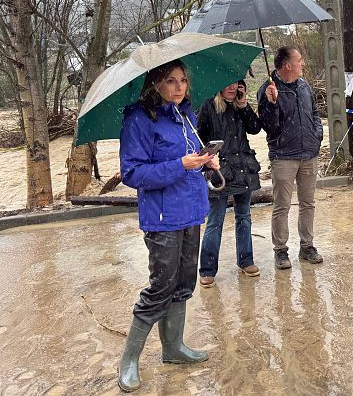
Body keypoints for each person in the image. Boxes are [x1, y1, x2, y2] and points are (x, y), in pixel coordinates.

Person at [117, 59, 219, 392]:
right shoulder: (138, 119)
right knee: (161, 286)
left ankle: (173, 348)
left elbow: (191, 157)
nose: (178, 87)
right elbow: (132, 174)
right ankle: (129, 360)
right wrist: (180, 164)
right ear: (155, 83)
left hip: (192, 210)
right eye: (170, 81)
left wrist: (205, 162)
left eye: (183, 81)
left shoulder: (186, 115)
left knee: (184, 283)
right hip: (162, 217)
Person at [257, 46, 324, 269]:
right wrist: (271, 103)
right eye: (299, 60)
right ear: (288, 65)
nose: (302, 63)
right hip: (284, 156)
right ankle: (281, 251)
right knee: (282, 205)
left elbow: (314, 112)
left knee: (308, 203)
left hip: (309, 153)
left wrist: (317, 135)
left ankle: (307, 246)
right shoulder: (268, 89)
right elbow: (269, 127)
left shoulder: (304, 86)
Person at [196, 79, 266, 288]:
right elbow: (197, 138)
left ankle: (246, 260)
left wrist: (244, 106)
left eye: (236, 84)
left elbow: (255, 128)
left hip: (243, 169)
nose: (232, 87)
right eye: (227, 84)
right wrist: (207, 159)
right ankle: (207, 269)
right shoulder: (208, 106)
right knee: (215, 221)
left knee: (244, 217)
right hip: (220, 171)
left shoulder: (239, 105)